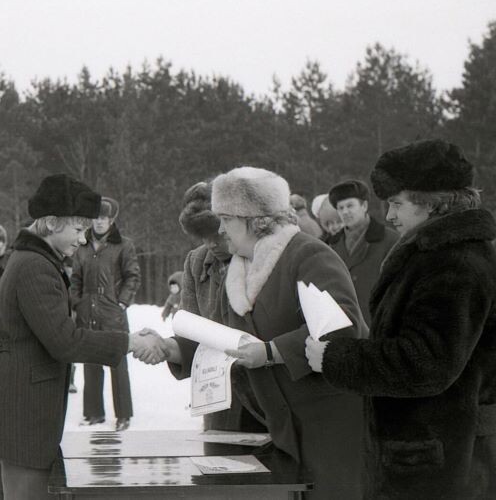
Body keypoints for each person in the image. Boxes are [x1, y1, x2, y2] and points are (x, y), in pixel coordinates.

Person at [145, 167, 367, 500]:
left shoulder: (309, 254)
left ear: (253, 219)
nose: (219, 230)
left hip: (324, 424)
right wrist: (170, 348)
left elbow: (344, 326)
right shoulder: (239, 269)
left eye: (225, 220)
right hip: (278, 426)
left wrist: (271, 352)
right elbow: (224, 340)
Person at [305, 139, 496, 499]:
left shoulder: (453, 262)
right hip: (429, 452)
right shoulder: (442, 254)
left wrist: (337, 357)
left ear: (433, 204)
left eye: (397, 203)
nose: (390, 216)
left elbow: (426, 362)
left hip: (442, 460)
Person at [0, 174, 164, 500]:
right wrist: (129, 342)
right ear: (50, 223)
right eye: (77, 230)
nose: (81, 239)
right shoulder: (35, 266)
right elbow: (65, 341)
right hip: (22, 417)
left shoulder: (35, 259)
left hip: (20, 412)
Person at [166, 180, 268, 433]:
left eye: (217, 235)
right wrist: (167, 348)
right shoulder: (196, 262)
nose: (211, 244)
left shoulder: (262, 257)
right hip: (217, 399)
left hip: (263, 397)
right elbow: (191, 334)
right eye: (203, 237)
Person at [70, 196, 141, 431]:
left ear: (111, 220)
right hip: (87, 310)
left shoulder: (124, 245)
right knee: (90, 363)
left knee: (118, 364)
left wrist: (122, 302)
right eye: (95, 218)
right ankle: (93, 413)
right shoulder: (81, 245)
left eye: (103, 218)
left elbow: (132, 276)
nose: (98, 222)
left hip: (112, 311)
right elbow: (75, 278)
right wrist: (77, 302)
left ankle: (124, 415)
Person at [326, 180, 398, 325]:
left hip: (377, 324)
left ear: (364, 206)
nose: (345, 212)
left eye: (350, 205)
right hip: (342, 326)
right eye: (340, 208)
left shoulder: (390, 240)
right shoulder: (330, 245)